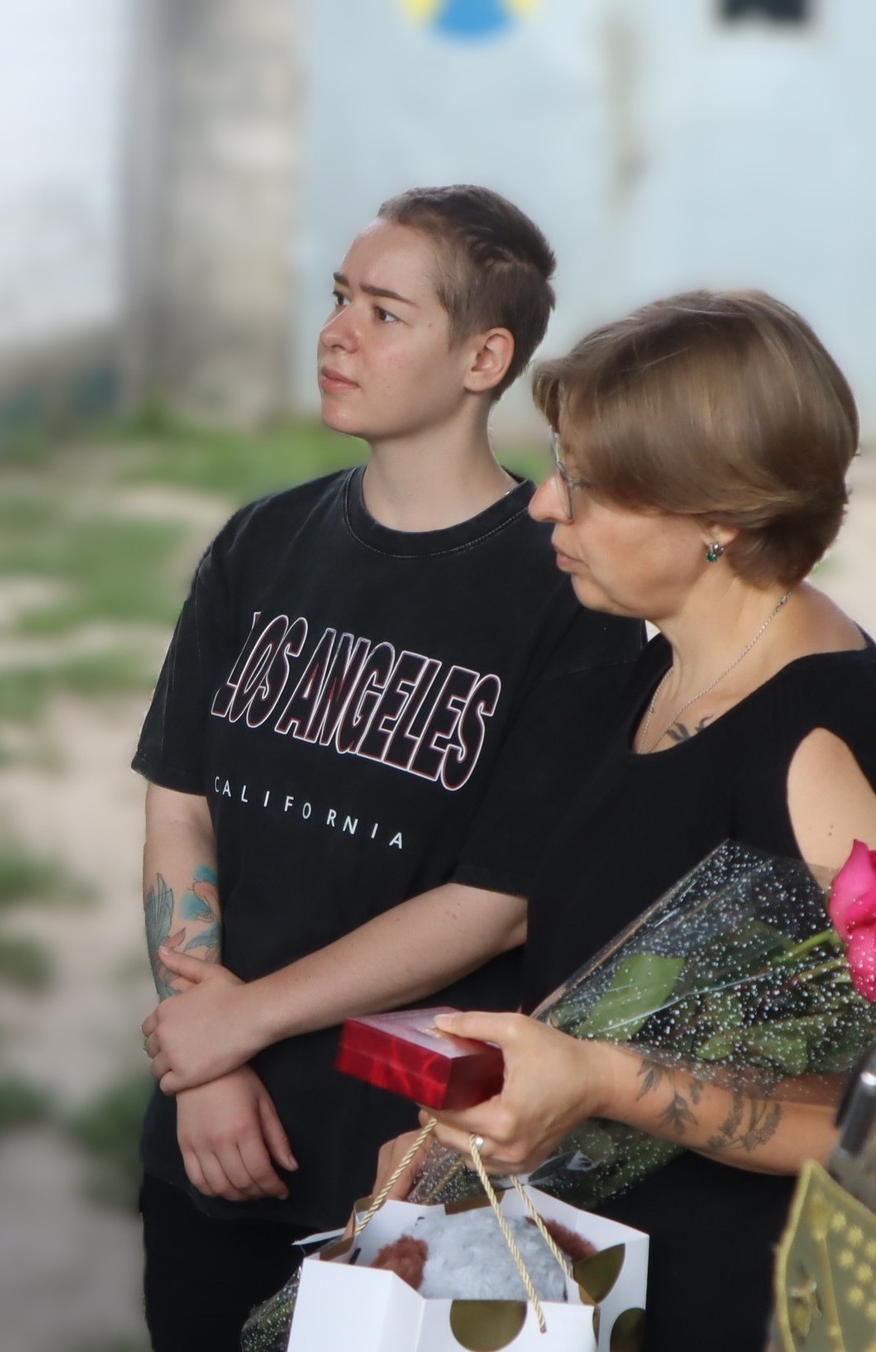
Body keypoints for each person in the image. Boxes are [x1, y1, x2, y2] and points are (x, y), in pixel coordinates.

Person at [128, 185, 644, 1348]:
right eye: (336, 298)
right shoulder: (258, 541)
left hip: (405, 1162)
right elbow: (178, 804)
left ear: (483, 358)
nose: (335, 333)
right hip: (208, 1131)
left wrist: (238, 1021)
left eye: (382, 311)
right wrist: (202, 1058)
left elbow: (496, 900)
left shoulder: (566, 596)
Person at [372, 290, 876, 1352]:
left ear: (718, 518)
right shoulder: (662, 667)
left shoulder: (822, 754)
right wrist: (463, 1126)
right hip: (588, 1277)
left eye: (589, 484)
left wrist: (601, 1082)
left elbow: (863, 1128)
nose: (543, 504)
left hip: (736, 1305)